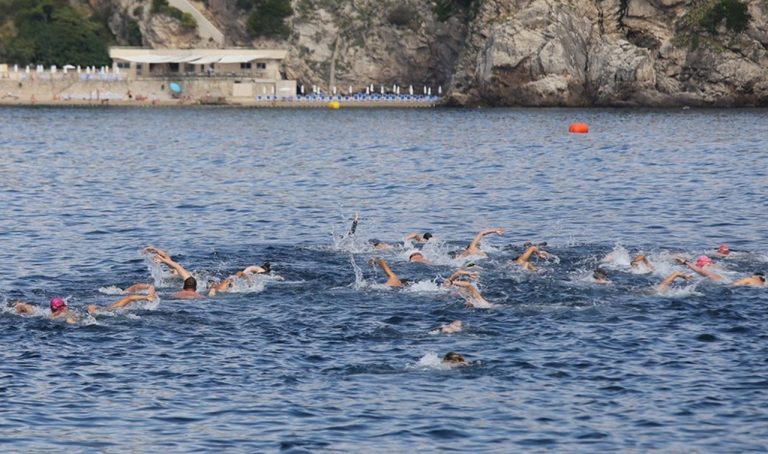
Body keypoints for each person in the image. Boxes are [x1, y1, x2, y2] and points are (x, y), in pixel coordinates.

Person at [87, 284, 158, 314]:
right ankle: (148, 297)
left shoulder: (106, 309)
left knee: (129, 299)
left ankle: (148, 297)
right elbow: (130, 298)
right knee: (129, 299)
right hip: (113, 309)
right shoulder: (109, 309)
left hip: (112, 310)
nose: (93, 305)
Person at [13, 297, 79, 324]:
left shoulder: (50, 316)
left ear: (51, 308)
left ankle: (20, 305)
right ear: (64, 305)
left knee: (33, 311)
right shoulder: (71, 312)